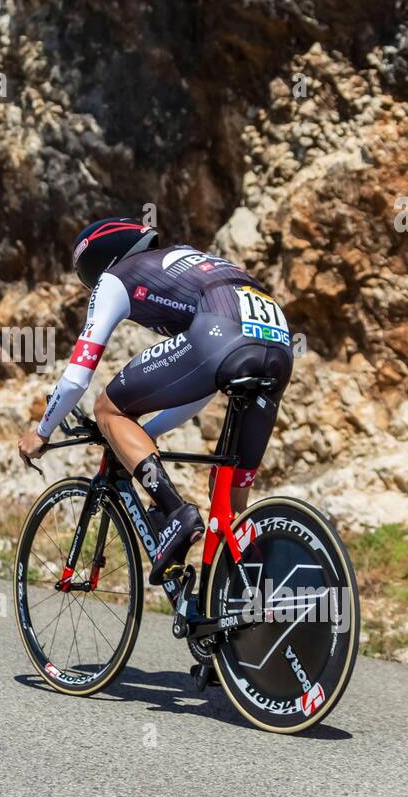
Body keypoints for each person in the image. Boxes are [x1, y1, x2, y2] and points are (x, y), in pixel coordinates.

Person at [17, 218, 293, 584]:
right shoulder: (187, 259)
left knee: (107, 408)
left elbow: (76, 378)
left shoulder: (114, 278)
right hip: (279, 347)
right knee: (230, 505)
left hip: (221, 335)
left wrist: (43, 432)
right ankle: (247, 606)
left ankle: (174, 511)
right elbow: (204, 386)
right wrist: (143, 435)